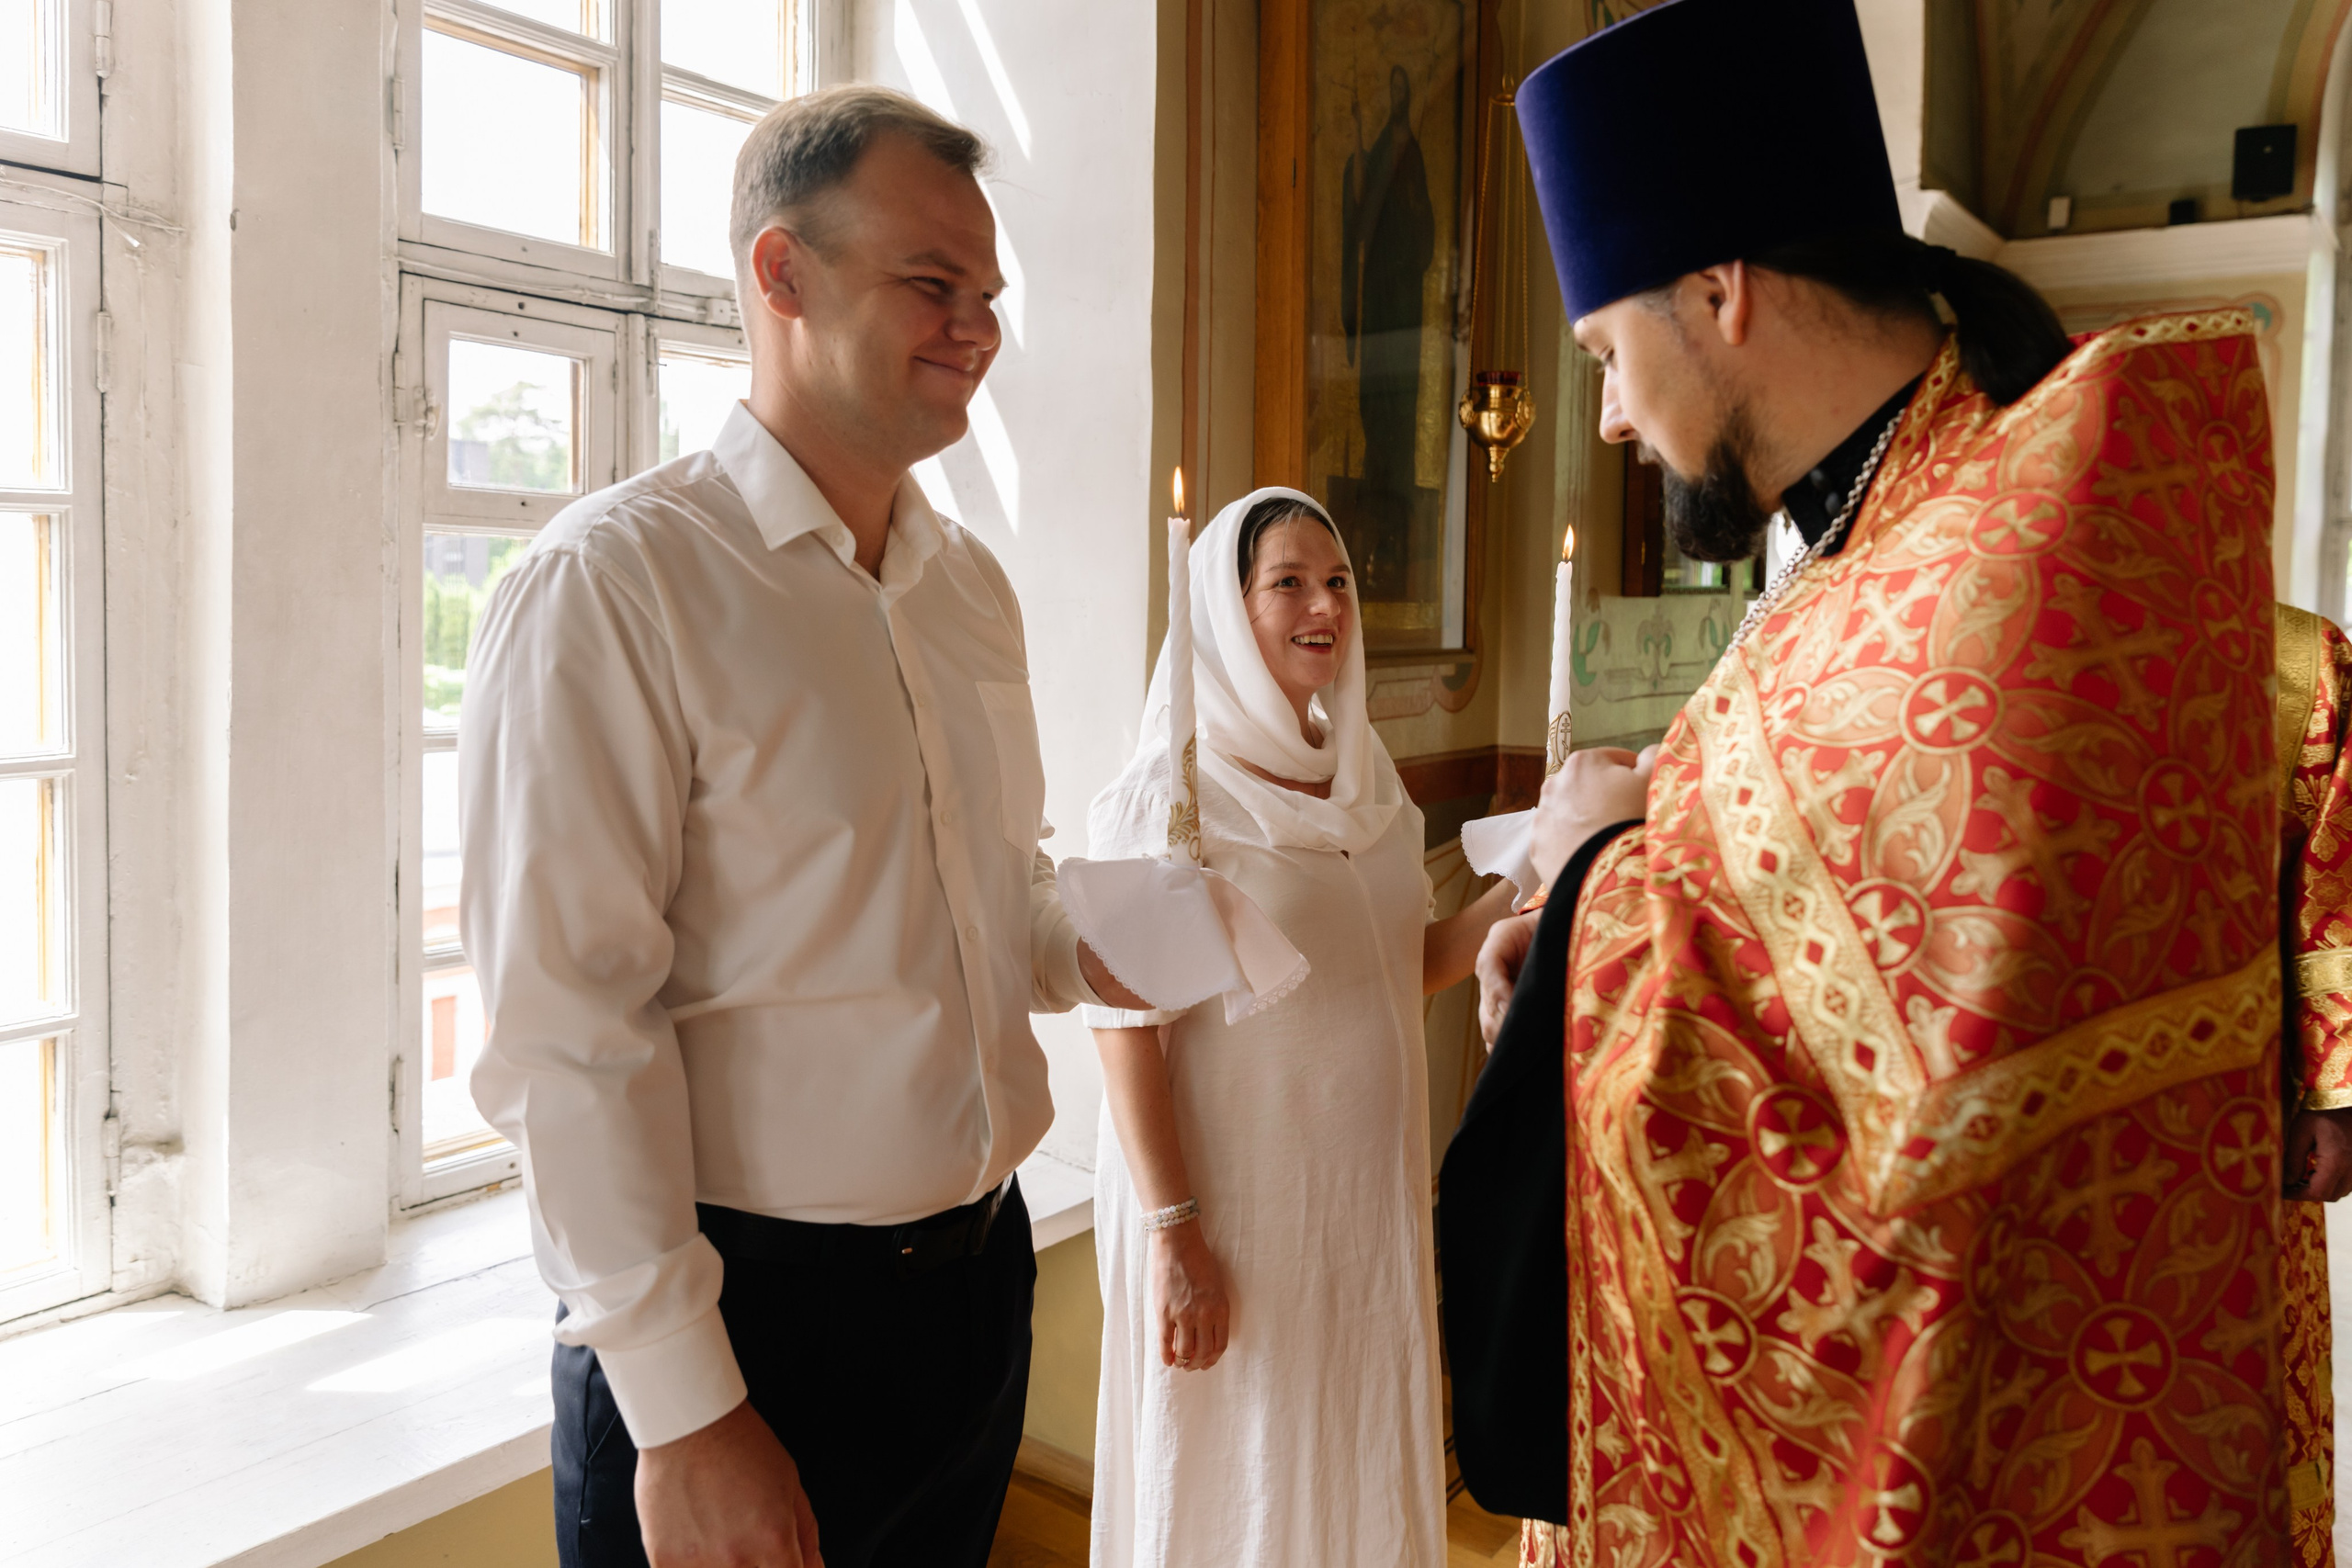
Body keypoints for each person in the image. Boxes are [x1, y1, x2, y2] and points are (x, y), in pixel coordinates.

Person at [1436, 0, 2324, 1562]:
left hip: (2004, 1445)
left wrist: (1592, 870)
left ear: (1719, 293)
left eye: (1605, 352)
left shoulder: (2002, 542)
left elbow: (1908, 1074)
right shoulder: (1882, 541)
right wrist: (1605, 888)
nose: (1610, 413)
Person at [462, 86, 1144, 1568]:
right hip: (747, 1323)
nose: (979, 327)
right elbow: (566, 1027)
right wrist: (686, 1410)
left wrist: (1110, 937)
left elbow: (992, 906)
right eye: (931, 285)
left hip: (978, 1289)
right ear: (782, 274)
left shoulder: (968, 587)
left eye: (988, 294)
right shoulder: (615, 585)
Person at [1082, 488, 1517, 1568]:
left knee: (1348, 1461)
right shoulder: (1169, 796)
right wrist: (1177, 1235)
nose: (1324, 604)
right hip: (1236, 1213)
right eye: (1288, 582)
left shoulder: (1363, 784)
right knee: (1241, 1474)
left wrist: (1540, 874)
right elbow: (1123, 1026)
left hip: (1361, 1208)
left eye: (1336, 582)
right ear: (1230, 611)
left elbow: (1399, 968)